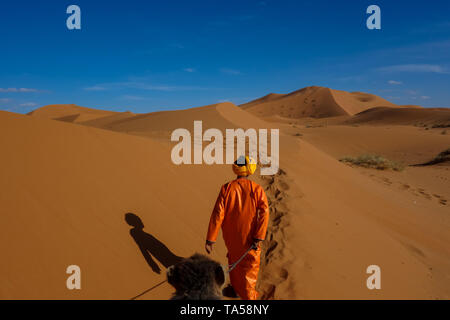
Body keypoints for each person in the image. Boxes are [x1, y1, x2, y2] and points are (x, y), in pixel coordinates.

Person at [205, 156, 269, 300]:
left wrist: (211, 239)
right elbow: (265, 211)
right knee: (249, 268)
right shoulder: (256, 189)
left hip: (231, 238)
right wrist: (259, 235)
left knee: (234, 261)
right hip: (249, 237)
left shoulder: (226, 188)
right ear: (250, 170)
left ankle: (234, 289)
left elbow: (217, 214)